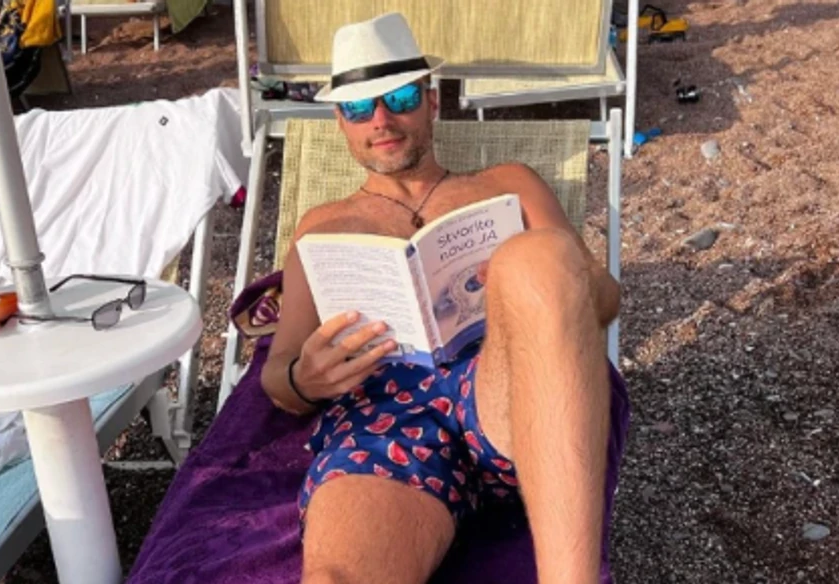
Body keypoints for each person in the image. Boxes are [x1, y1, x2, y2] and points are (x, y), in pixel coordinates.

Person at [260, 12, 624, 584]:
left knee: (538, 257)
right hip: (387, 420)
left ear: (432, 102)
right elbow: (277, 374)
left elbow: (603, 300)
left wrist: (525, 277)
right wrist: (306, 379)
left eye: (401, 97)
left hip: (508, 388)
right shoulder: (322, 228)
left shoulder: (508, 185)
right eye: (359, 107)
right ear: (341, 122)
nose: (382, 120)